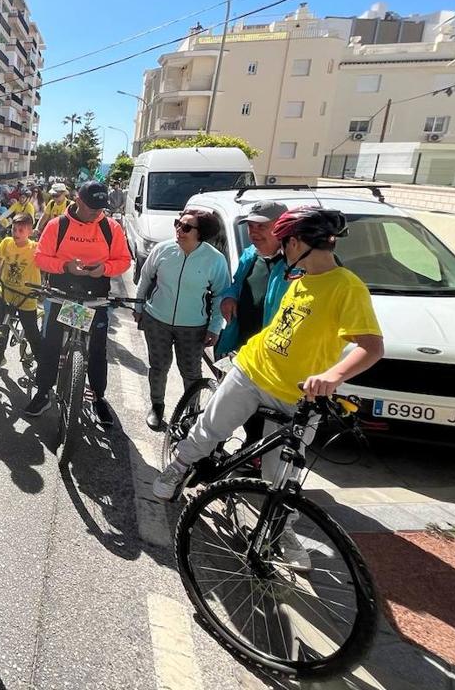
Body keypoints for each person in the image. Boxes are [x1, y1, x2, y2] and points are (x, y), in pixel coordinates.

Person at [153, 207, 385, 565]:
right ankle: (180, 465)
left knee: (281, 475)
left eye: (286, 243)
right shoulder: (299, 276)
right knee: (210, 429)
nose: (283, 250)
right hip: (252, 371)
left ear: (297, 242)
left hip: (297, 395)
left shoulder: (346, 287)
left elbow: (372, 347)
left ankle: (280, 530)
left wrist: (334, 376)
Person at [24, 182, 132, 423]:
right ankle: (43, 391)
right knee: (51, 344)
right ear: (78, 201)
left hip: (95, 296)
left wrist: (104, 268)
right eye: (93, 207)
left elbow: (124, 260)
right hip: (63, 292)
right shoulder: (58, 225)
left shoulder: (110, 227)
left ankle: (98, 397)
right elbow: (40, 257)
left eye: (101, 207)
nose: (97, 212)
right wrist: (65, 266)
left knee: (96, 349)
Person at [135, 208, 231, 431]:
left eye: (186, 227)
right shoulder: (163, 249)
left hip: (193, 327)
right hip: (156, 319)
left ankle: (191, 416)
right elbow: (145, 277)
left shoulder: (215, 260)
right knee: (158, 367)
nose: (179, 229)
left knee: (191, 373)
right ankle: (157, 407)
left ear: (201, 233)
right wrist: (138, 307)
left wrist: (215, 327)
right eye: (178, 223)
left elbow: (220, 297)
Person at [214, 201, 290, 450]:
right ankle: (212, 453)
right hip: (240, 341)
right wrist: (230, 295)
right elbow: (237, 283)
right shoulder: (250, 255)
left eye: (262, 227)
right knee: (225, 405)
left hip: (268, 353)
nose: (254, 233)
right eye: (251, 226)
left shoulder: (295, 266)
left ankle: (251, 453)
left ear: (282, 227)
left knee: (258, 411)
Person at [0, 213, 43, 359]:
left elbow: (47, 264)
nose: (16, 233)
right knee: (2, 326)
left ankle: (41, 364)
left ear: (30, 232)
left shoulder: (36, 248)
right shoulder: (7, 242)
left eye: (21, 230)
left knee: (31, 332)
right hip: (5, 292)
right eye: (14, 229)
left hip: (26, 297)